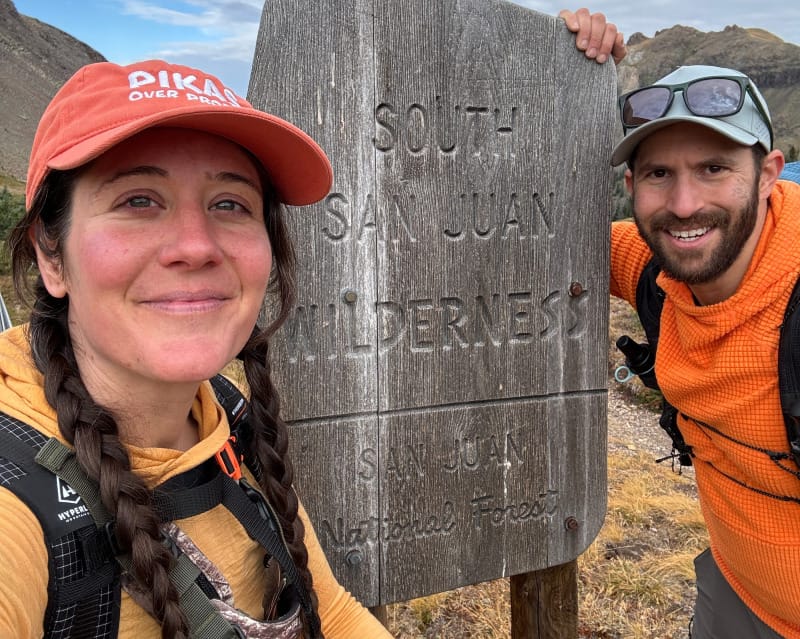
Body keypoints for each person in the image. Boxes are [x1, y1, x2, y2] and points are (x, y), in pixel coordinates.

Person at [0, 14, 622, 636]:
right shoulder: (16, 500)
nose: (195, 245)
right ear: (51, 255)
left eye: (229, 204)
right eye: (139, 200)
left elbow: (336, 613)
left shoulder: (227, 417)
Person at [610, 64, 800, 638]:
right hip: (736, 594)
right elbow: (523, 229)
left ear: (768, 174)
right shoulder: (652, 266)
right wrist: (555, 58)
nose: (685, 204)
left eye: (713, 168)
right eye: (659, 174)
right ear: (631, 190)